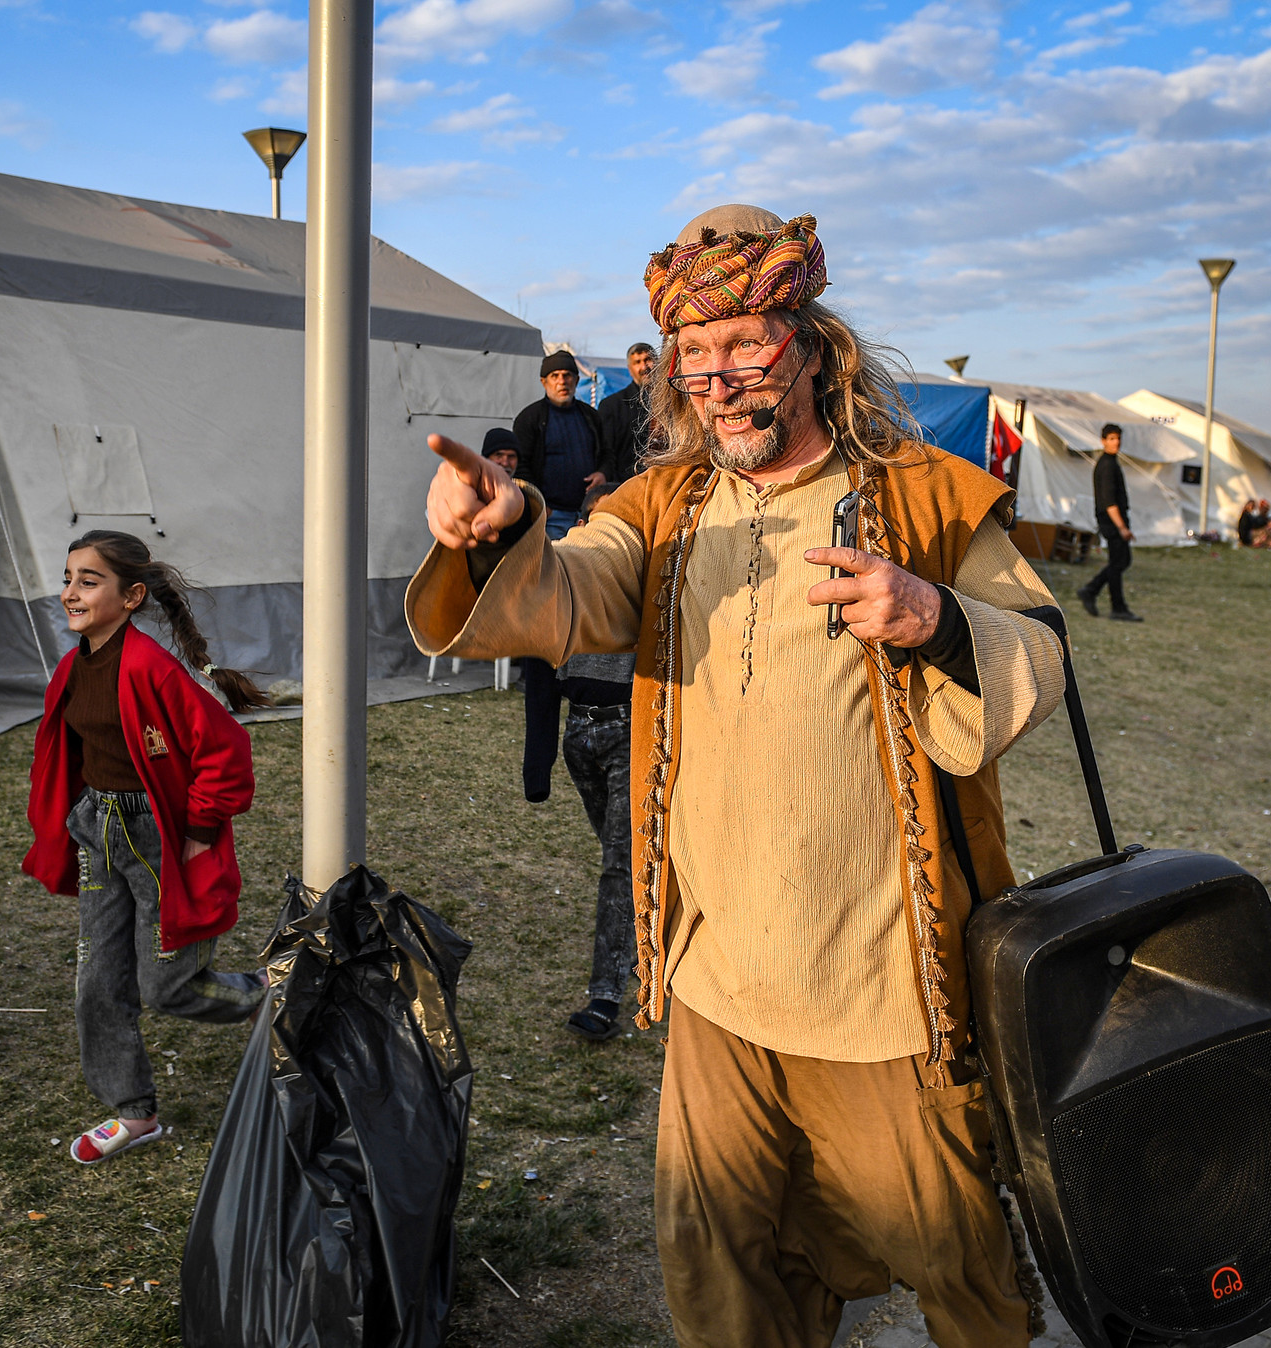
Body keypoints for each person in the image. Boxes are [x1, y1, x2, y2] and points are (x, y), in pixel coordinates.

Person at [410, 205, 1063, 1348]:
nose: (718, 378)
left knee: (964, 1274)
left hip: (883, 993)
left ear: (810, 344)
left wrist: (935, 615)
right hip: (717, 990)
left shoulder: (920, 492)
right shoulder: (662, 506)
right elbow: (570, 585)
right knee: (719, 1281)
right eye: (692, 354)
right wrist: (499, 531)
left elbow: (1040, 650)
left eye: (744, 343)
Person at [23, 530, 269, 1165]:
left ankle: (267, 997)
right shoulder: (73, 665)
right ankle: (134, 1114)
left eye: (88, 580)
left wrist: (198, 834)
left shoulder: (149, 667)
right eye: (69, 576)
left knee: (168, 987)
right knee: (98, 984)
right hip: (100, 831)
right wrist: (70, 819)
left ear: (131, 597)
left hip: (158, 839)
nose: (70, 592)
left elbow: (226, 752)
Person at [517, 482, 634, 1040]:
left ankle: (606, 998)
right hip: (578, 735)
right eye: (589, 521)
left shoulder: (646, 581)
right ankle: (657, 923)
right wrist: (535, 768)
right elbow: (538, 674)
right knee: (629, 862)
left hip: (633, 733)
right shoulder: (562, 581)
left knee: (621, 865)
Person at [513, 351, 619, 539]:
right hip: (551, 517)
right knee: (552, 567)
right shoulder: (529, 418)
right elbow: (521, 466)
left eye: (567, 375)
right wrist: (539, 505)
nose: (562, 381)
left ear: (577, 381)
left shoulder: (591, 416)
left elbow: (607, 453)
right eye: (555, 376)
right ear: (543, 382)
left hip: (587, 514)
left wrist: (603, 473)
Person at [1075, 423, 1141, 621]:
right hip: (1111, 521)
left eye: (1118, 438)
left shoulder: (1111, 462)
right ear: (1103, 441)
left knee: (1121, 561)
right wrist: (1121, 527)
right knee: (1118, 562)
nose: (1116, 442)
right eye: (1112, 438)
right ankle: (1114, 605)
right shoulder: (1106, 466)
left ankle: (1093, 591)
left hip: (1114, 519)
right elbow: (1109, 501)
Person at [598, 341, 659, 479]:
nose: (644, 367)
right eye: (637, 362)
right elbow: (607, 453)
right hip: (625, 485)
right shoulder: (612, 406)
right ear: (629, 369)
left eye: (648, 360)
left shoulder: (670, 403)